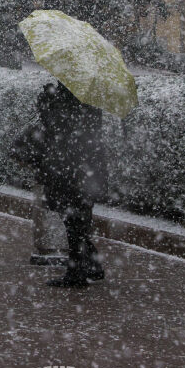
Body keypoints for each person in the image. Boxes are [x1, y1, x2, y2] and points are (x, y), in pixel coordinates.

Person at [32, 81, 107, 288]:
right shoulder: (91, 94)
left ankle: (77, 273)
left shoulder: (68, 98)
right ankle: (90, 265)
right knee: (78, 221)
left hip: (70, 169)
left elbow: (57, 128)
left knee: (74, 222)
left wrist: (45, 104)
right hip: (86, 169)